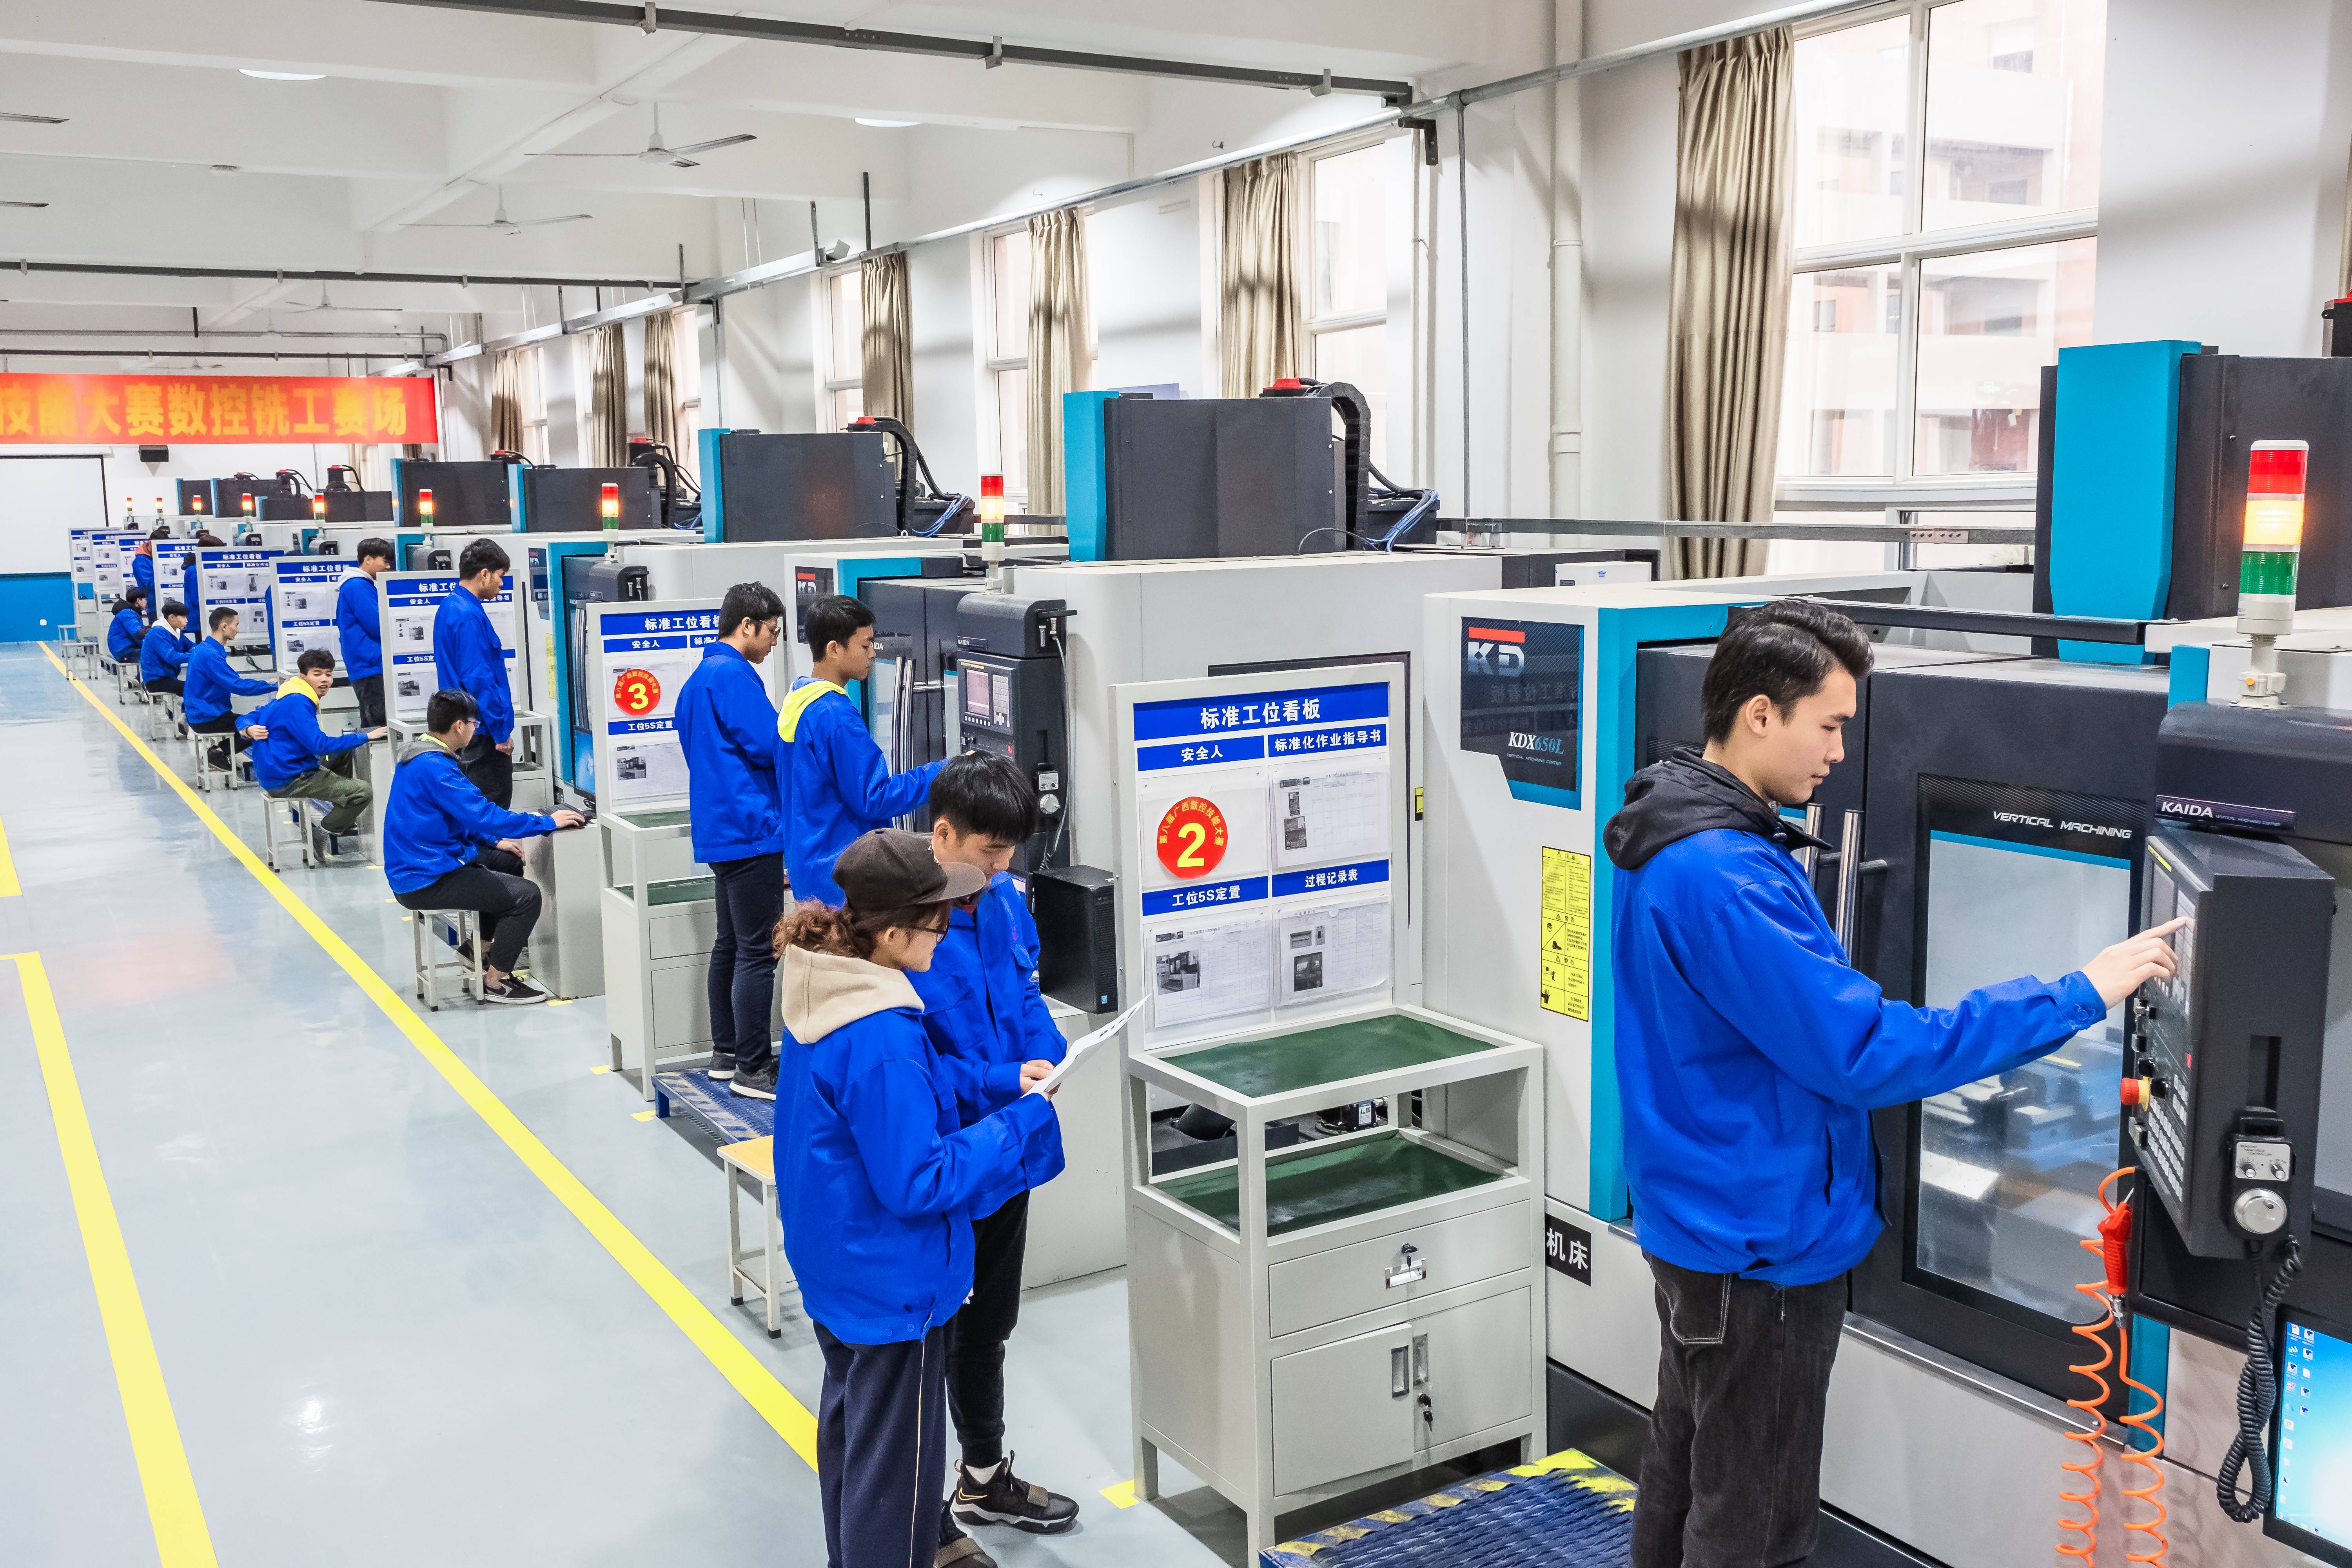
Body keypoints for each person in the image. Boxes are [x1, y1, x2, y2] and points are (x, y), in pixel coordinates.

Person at [1602, 598, 2186, 1568]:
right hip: (1763, 1247)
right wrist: (2078, 992)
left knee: (1689, 1465)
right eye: (1830, 724)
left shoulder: (1671, 825)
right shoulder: (1726, 876)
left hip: (1700, 1218)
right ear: (1760, 714)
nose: (1840, 751)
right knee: (1754, 1524)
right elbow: (1867, 1051)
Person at [774, 829, 1062, 1568]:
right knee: (897, 1495)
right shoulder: (882, 1034)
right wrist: (1019, 1123)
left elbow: (913, 1092)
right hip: (892, 1284)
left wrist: (1002, 1081)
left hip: (842, 1266)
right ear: (895, 931)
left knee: (859, 1455)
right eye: (937, 920)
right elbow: (919, 1179)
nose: (948, 930)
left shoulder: (831, 991)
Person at [907, 753, 1080, 1558]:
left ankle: (980, 1476)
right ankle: (920, 1520)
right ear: (943, 835)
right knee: (929, 1336)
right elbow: (908, 1068)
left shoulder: (1004, 899)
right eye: (991, 850)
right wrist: (1000, 1079)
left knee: (988, 1325)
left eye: (1013, 850)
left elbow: (1025, 994)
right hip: (947, 1163)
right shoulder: (902, 924)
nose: (1004, 865)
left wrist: (1051, 1056)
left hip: (1012, 1148)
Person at [386, 688, 587, 1005]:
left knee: (509, 860)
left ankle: (476, 949)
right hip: (426, 878)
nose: (476, 729)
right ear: (459, 727)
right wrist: (547, 822)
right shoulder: (436, 768)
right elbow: (486, 816)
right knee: (527, 896)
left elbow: (452, 818)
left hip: (423, 863)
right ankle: (497, 982)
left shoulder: (418, 756)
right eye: (474, 724)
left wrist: (493, 842)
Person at [676, 581, 789, 1100]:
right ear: (747, 626)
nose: (774, 643)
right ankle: (753, 1070)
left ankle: (726, 1055)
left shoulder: (697, 680)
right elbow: (770, 745)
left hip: (721, 832)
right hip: (751, 831)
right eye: (771, 632)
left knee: (730, 944)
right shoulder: (734, 676)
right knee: (759, 952)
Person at [779, 594, 946, 906]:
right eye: (866, 645)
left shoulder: (798, 702)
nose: (873, 653)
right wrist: (945, 771)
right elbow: (875, 798)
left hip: (811, 868)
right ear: (834, 649)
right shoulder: (835, 717)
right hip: (844, 876)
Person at [249, 648, 385, 856]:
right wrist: (365, 737)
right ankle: (322, 833)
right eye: (317, 674)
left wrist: (247, 727)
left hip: (278, 771)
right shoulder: (299, 702)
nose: (325, 680)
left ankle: (341, 814)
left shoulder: (289, 693)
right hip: (289, 778)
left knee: (342, 753)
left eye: (329, 674)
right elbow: (319, 746)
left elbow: (253, 714)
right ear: (303, 676)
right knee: (362, 792)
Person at [434, 538, 516, 807]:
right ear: (484, 575)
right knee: (491, 807)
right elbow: (479, 680)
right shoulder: (468, 616)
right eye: (500, 576)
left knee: (470, 806)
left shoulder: (451, 606)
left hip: (466, 727)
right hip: (482, 732)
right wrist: (501, 733)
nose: (502, 584)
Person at [184, 607, 275, 771]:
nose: (237, 630)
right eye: (236, 625)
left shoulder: (206, 649)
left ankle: (218, 752)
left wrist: (265, 684)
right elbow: (237, 686)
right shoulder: (210, 655)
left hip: (205, 712)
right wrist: (274, 686)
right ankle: (218, 753)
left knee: (252, 723)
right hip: (207, 717)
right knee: (261, 728)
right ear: (224, 627)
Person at [339, 536, 394, 726]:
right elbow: (377, 625)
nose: (388, 567)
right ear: (369, 559)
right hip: (370, 667)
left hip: (368, 666)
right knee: (377, 726)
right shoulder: (358, 586)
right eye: (385, 561)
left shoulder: (361, 585)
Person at [139, 600, 194, 695]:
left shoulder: (176, 632)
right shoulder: (157, 633)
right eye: (184, 617)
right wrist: (195, 655)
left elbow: (191, 646)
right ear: (172, 617)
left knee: (196, 687)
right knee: (193, 690)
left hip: (169, 677)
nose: (187, 621)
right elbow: (171, 657)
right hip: (156, 680)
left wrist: (200, 650)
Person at [106, 589, 149, 665]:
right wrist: (155, 630)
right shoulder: (128, 613)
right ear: (138, 600)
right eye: (145, 599)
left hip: (126, 649)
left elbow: (141, 630)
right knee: (156, 656)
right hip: (124, 652)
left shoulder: (132, 612)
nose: (146, 601)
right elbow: (138, 634)